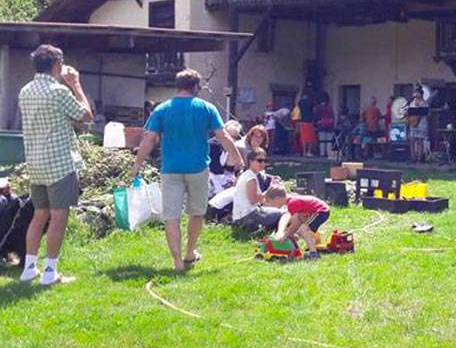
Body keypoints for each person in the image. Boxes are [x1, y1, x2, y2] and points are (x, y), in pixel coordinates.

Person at [133, 68, 244, 272]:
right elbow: (223, 136)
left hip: (171, 169)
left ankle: (176, 262)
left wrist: (137, 164)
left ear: (177, 86)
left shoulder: (162, 109)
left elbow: (149, 139)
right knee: (197, 213)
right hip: (198, 169)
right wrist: (237, 157)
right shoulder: (206, 107)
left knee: (171, 216)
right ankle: (190, 252)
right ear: (195, 87)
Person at [18, 45, 93, 286]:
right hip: (59, 163)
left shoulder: (25, 90)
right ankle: (50, 273)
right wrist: (76, 85)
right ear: (57, 64)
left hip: (36, 163)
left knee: (39, 215)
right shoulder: (58, 91)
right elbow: (86, 116)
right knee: (59, 218)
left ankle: (29, 268)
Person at [264, 183, 330, 260]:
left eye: (271, 202)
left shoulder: (291, 203)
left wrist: (285, 235)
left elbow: (296, 223)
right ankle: (309, 248)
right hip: (317, 211)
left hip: (320, 211)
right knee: (302, 229)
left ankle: (313, 253)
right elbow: (298, 219)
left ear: (277, 198)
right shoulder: (291, 200)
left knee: (304, 229)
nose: (271, 205)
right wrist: (291, 233)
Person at [231, 148, 284, 233]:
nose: (263, 163)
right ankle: (278, 235)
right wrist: (270, 189)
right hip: (246, 218)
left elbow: (259, 201)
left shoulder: (248, 175)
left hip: (241, 217)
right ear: (251, 161)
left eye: (265, 161)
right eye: (259, 160)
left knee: (278, 210)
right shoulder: (251, 178)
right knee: (282, 214)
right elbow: (253, 200)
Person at [408, 89, 429, 163]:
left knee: (420, 141)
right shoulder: (412, 103)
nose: (415, 94)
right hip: (413, 123)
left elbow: (422, 113)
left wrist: (416, 122)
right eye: (415, 93)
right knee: (412, 140)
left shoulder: (424, 103)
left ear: (421, 94)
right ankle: (413, 157)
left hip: (421, 124)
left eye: (417, 93)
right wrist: (411, 122)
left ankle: (420, 158)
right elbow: (409, 112)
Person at [297, 92, 316, 157]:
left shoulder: (300, 102)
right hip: (309, 122)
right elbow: (314, 110)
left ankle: (304, 152)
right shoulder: (311, 102)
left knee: (303, 138)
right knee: (310, 138)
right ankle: (309, 151)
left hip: (302, 122)